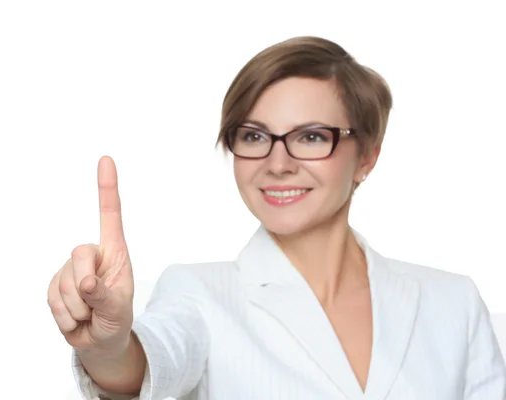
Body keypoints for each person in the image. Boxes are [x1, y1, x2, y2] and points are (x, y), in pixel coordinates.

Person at [47, 36, 506, 399]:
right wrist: (108, 350)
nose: (278, 162)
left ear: (366, 156)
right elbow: (149, 362)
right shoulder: (199, 294)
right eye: (253, 136)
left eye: (309, 136)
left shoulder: (454, 304)